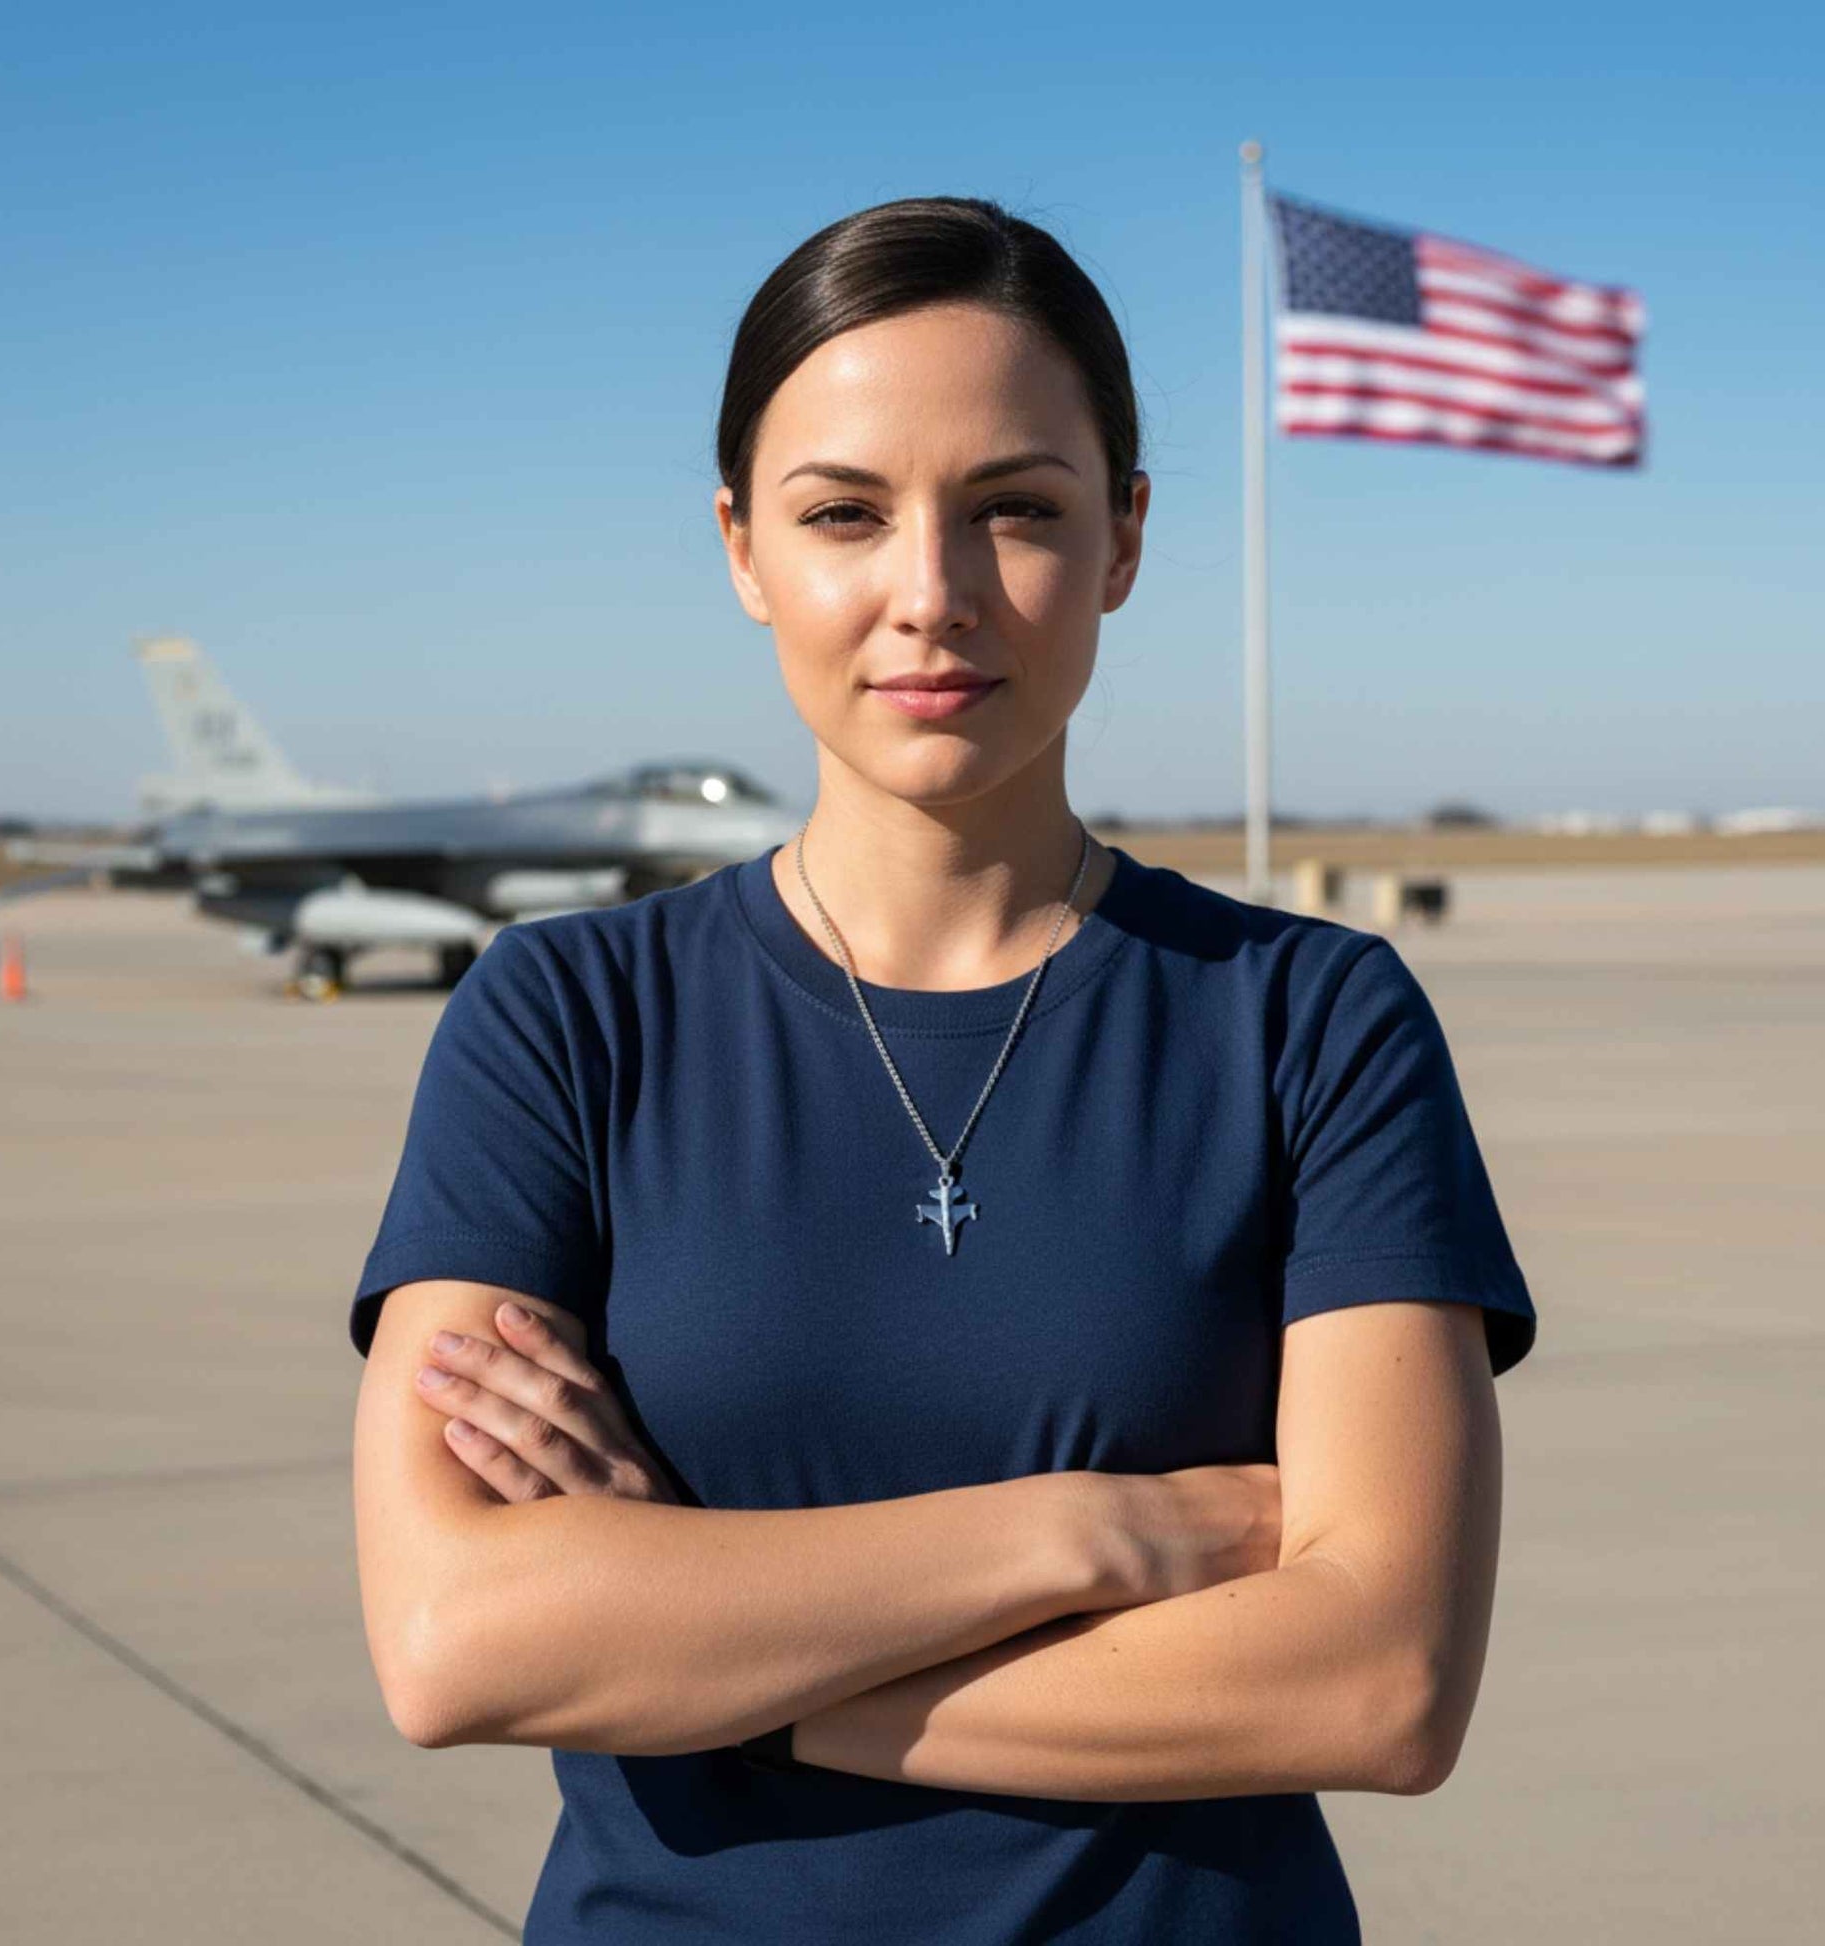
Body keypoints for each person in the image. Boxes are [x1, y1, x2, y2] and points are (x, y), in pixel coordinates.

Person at [348, 194, 1536, 1944]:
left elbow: (1378, 1680)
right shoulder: (561, 1017)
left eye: (1017, 511)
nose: (932, 595)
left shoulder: (1309, 1017)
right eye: (843, 513)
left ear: (1123, 539)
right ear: (742, 547)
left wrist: (709, 1659)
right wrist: (1091, 1532)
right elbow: (460, 1642)